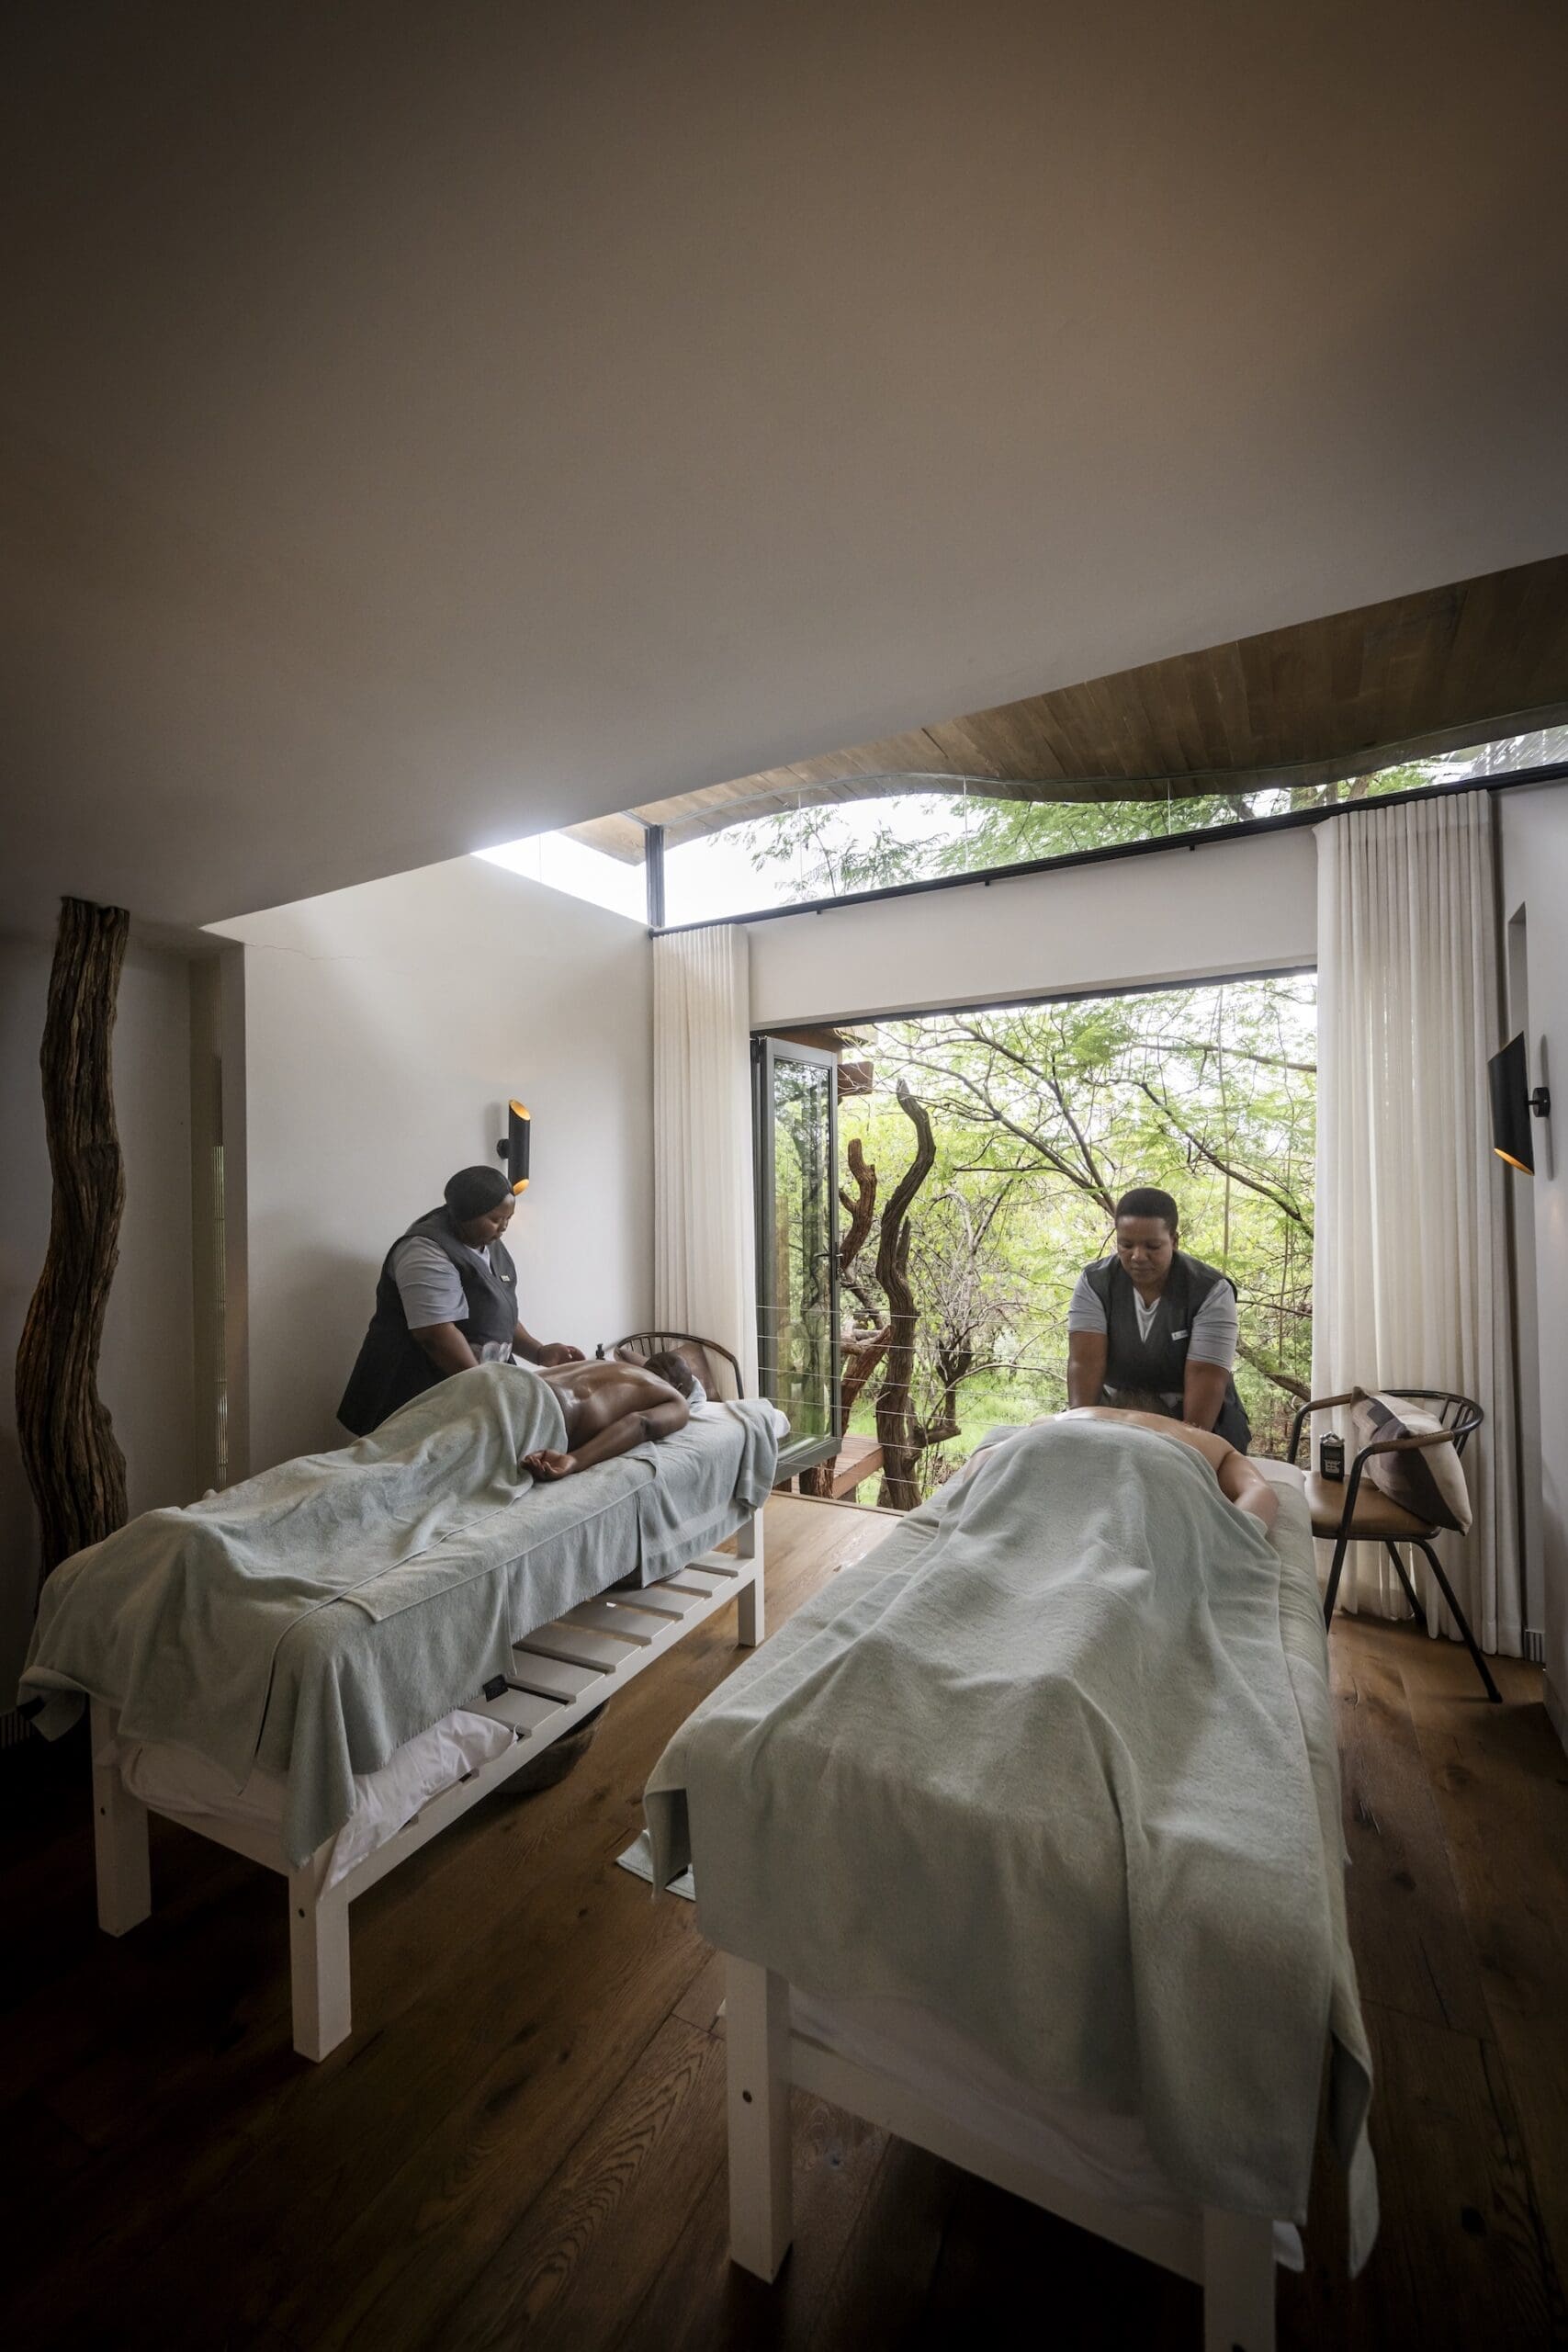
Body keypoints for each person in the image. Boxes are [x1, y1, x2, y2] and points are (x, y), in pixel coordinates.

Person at [338, 1166, 585, 1436]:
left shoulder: (488, 1241)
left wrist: (539, 1352)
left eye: (508, 1218)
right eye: (495, 1218)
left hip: (474, 1388)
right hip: (414, 1393)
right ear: (465, 1214)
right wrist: (487, 1392)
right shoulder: (424, 1249)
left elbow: (497, 1313)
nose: (504, 1226)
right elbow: (435, 1334)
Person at [1066, 1185, 1251, 1450]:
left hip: (1194, 1423)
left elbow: (1207, 1376)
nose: (1138, 1256)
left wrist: (1188, 1452)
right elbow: (1084, 1364)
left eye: (1152, 1246)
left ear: (1174, 1241)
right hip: (1115, 1416)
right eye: (1126, 1245)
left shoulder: (1211, 1291)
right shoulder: (1094, 1283)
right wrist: (1079, 1436)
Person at [522, 1350, 696, 1482]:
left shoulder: (605, 1366)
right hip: (548, 1407)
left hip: (518, 1378)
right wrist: (575, 1459)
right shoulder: (676, 1399)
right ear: (679, 1388)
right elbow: (642, 1424)